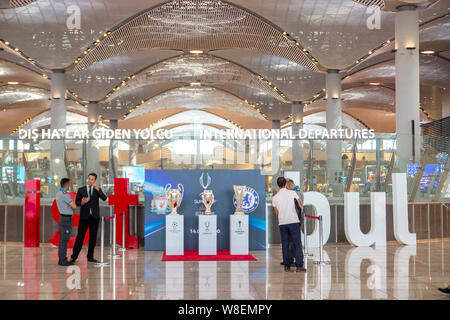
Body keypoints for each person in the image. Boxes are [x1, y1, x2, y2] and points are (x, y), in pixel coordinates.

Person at [70, 173, 107, 263]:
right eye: (89, 179)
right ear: (87, 179)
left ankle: (90, 256)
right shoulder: (81, 190)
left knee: (93, 237)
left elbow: (104, 198)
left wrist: (98, 189)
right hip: (84, 217)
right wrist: (82, 202)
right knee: (80, 237)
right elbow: (77, 203)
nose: (90, 181)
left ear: (95, 180)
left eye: (92, 179)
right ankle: (74, 256)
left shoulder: (97, 190)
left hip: (94, 217)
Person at [272, 176, 306, 273]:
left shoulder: (275, 197)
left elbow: (276, 212)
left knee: (285, 244)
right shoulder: (292, 193)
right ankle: (299, 265)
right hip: (293, 221)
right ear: (285, 184)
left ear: (278, 185)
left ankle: (287, 266)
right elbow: (299, 205)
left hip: (282, 223)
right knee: (297, 243)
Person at [55, 178, 76, 266]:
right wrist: (70, 205)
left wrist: (69, 205)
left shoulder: (58, 194)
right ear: (67, 184)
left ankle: (62, 258)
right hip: (67, 219)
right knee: (64, 239)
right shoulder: (65, 195)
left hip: (62, 218)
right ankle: (62, 260)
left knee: (63, 239)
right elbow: (74, 206)